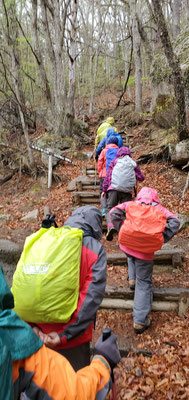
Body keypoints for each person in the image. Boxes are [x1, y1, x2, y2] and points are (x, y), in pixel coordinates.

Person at [0, 266, 121, 399]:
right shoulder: (10, 338)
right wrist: (103, 361)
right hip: (73, 342)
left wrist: (30, 325)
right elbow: (72, 393)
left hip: (41, 339)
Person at [13, 206, 107, 372]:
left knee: (40, 386)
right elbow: (91, 298)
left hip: (37, 335)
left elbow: (24, 284)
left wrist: (30, 327)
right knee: (74, 389)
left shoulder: (46, 240)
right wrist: (65, 335)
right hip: (73, 340)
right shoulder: (94, 249)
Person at [107, 187, 180, 334]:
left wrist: (122, 228)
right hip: (145, 251)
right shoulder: (159, 209)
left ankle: (132, 279)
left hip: (127, 244)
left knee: (131, 254)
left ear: (139, 196)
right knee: (144, 282)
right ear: (155, 198)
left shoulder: (130, 205)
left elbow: (113, 212)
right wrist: (161, 237)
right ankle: (140, 321)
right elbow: (175, 222)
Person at [102, 147, 145, 240]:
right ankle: (124, 234)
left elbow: (108, 176)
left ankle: (111, 226)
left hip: (113, 189)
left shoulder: (115, 161)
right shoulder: (133, 163)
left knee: (109, 209)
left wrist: (104, 190)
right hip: (127, 191)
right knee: (125, 212)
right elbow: (141, 177)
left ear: (119, 153)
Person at [97, 136, 119, 201]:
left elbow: (100, 163)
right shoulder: (119, 151)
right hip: (115, 175)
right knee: (112, 193)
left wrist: (100, 172)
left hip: (104, 174)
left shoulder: (104, 151)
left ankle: (104, 208)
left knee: (102, 193)